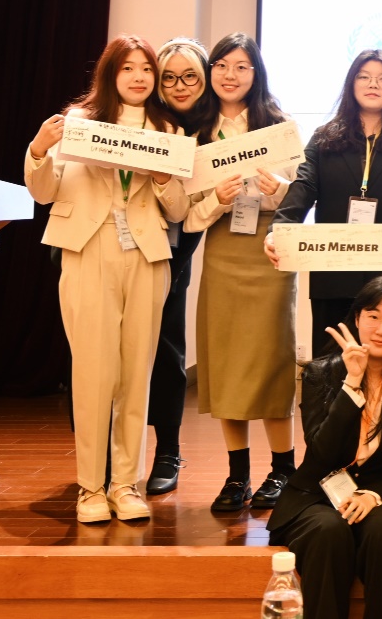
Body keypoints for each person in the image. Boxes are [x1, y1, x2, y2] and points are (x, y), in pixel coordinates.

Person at [24, 34, 189, 522]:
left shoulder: (168, 131)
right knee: (93, 372)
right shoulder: (77, 123)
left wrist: (163, 178)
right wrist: (39, 149)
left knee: (137, 373)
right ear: (109, 74)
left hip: (146, 254)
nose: (138, 77)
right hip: (88, 247)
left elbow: (179, 209)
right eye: (127, 68)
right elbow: (44, 191)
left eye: (146, 69)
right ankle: (90, 488)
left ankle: (125, 484)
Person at [267, 276, 382, 619]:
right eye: (373, 316)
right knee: (328, 532)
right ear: (357, 318)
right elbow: (321, 453)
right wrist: (352, 383)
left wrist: (375, 495)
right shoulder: (319, 373)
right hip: (316, 496)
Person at [184, 32, 299, 511]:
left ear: (257, 73)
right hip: (224, 249)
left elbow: (304, 198)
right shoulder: (196, 132)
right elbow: (187, 215)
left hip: (270, 249)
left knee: (272, 357)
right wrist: (216, 198)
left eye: (241, 67)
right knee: (227, 359)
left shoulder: (280, 127)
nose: (230, 75)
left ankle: (283, 470)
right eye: (222, 66)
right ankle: (237, 476)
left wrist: (279, 189)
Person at [266, 49, 382, 357]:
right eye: (364, 77)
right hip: (333, 270)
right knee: (330, 363)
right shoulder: (324, 138)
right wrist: (279, 229)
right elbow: (304, 185)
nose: (373, 84)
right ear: (351, 83)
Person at [144, 37, 213, 495]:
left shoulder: (212, 130)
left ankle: (168, 450)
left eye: (190, 76)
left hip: (176, 250)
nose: (180, 85)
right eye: (169, 78)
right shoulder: (143, 121)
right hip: (126, 248)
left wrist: (176, 262)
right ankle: (108, 452)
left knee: (168, 351)